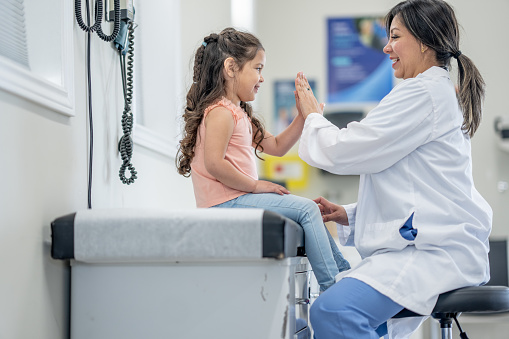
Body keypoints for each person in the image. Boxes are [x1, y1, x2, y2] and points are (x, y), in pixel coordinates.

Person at [294, 0, 492, 338]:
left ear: (425, 41)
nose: (386, 47)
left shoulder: (423, 93)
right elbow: (418, 189)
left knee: (333, 311)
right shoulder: (431, 93)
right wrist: (350, 215)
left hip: (435, 252)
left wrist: (313, 116)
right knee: (347, 316)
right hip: (433, 246)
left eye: (396, 36)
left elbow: (345, 150)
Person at [176, 27, 350, 292]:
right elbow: (214, 163)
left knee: (308, 210)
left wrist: (305, 117)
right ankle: (334, 288)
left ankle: (345, 279)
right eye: (257, 69)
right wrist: (257, 185)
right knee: (307, 209)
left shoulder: (238, 113)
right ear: (231, 67)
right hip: (224, 204)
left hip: (236, 200)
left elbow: (277, 146)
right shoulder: (220, 113)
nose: (262, 78)